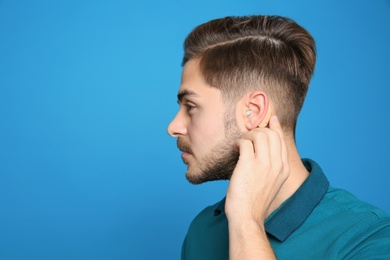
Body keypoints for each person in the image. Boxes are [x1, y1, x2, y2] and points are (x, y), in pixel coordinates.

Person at [167, 15, 390, 259]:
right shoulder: (203, 229)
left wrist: (247, 221)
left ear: (253, 111)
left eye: (190, 106)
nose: (173, 127)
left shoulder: (370, 238)